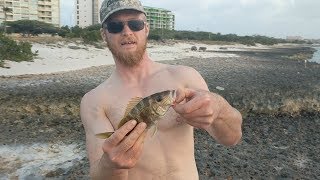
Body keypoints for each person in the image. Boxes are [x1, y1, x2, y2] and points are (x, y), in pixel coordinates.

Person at [80, 0, 243, 179]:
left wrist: (219, 108)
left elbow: (232, 138)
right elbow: (98, 175)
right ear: (104, 34)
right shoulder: (94, 101)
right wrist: (110, 165)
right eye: (115, 26)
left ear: (146, 29)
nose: (127, 32)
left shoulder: (185, 76)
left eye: (135, 24)